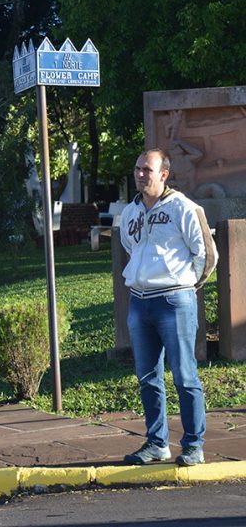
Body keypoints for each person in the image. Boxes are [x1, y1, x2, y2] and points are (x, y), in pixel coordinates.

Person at [120, 149, 218, 467]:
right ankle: (156, 443)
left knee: (184, 375)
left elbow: (205, 253)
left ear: (164, 174)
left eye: (147, 169)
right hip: (139, 301)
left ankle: (193, 445)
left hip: (174, 301)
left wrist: (186, 286)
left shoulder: (184, 208)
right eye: (137, 169)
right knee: (147, 377)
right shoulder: (129, 213)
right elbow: (130, 247)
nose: (140, 174)